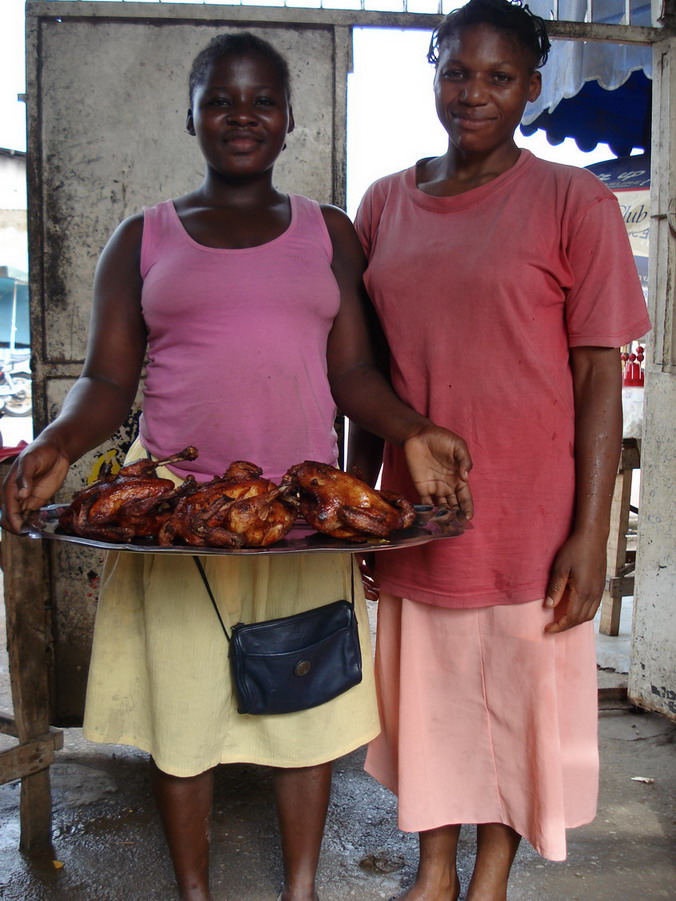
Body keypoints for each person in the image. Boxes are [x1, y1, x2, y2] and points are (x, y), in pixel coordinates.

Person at [1, 33, 473, 901]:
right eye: (221, 99)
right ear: (192, 114)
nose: (242, 115)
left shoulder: (326, 233)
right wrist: (55, 445)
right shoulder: (140, 239)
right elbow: (106, 384)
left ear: (290, 118)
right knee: (184, 722)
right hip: (178, 518)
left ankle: (301, 890)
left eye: (261, 100)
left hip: (294, 516)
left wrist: (412, 429)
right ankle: (196, 893)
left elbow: (355, 375)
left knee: (305, 717)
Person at [351, 1, 652, 899]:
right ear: (433, 71)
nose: (472, 92)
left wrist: (589, 534)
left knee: (519, 704)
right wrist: (361, 499)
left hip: (531, 510)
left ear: (531, 86)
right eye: (455, 70)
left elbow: (601, 377)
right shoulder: (383, 203)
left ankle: (490, 875)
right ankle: (433, 869)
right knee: (432, 702)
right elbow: (366, 370)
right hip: (418, 511)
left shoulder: (574, 202)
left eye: (497, 76)